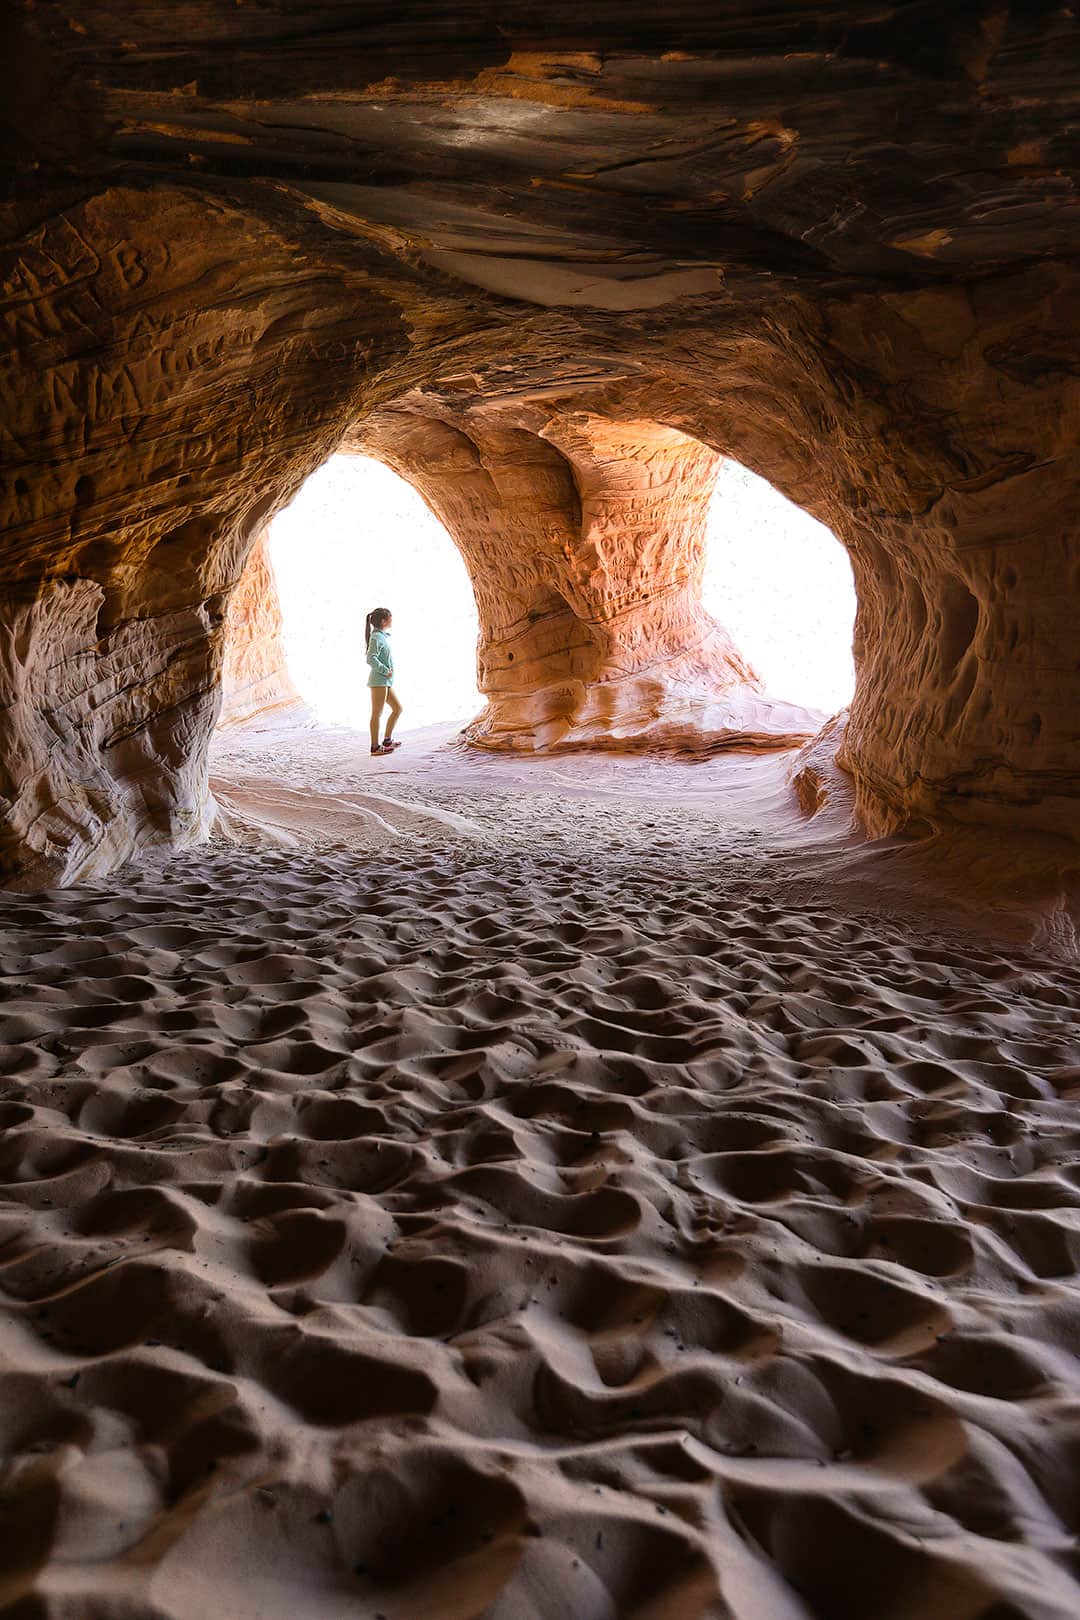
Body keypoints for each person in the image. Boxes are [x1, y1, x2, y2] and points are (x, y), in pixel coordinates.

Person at [365, 606, 402, 756]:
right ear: (383, 620)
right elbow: (370, 658)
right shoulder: (376, 637)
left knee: (397, 709)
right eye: (390, 617)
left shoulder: (380, 636)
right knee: (377, 714)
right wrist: (385, 670)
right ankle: (374, 747)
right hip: (379, 681)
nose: (392, 619)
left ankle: (387, 740)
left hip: (385, 682)